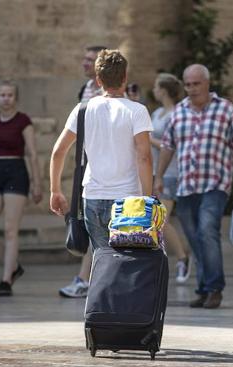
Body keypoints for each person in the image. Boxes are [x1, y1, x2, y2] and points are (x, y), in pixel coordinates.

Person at [155, 64, 233, 309]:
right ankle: (203, 287)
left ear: (207, 83)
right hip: (186, 186)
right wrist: (159, 176)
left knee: (207, 231)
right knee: (195, 238)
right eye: (187, 84)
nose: (192, 89)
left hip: (215, 183)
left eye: (196, 84)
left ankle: (215, 288)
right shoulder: (178, 113)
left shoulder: (225, 109)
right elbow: (167, 146)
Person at [50, 49, 153, 257]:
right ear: (125, 77)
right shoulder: (137, 111)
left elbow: (59, 151)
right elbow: (144, 157)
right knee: (127, 261)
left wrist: (55, 190)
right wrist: (147, 198)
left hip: (93, 198)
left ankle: (100, 291)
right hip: (128, 199)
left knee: (102, 260)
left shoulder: (83, 109)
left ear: (98, 80)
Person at [0, 80, 43, 296]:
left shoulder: (24, 121)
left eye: (10, 95)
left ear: (16, 98)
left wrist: (37, 183)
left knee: (10, 229)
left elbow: (32, 153)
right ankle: (14, 265)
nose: (6, 98)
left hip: (16, 171)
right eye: (2, 95)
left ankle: (6, 279)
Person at [59, 45, 107, 298]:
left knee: (92, 221)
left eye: (90, 60)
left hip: (100, 163)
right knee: (85, 219)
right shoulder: (85, 90)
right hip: (85, 161)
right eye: (84, 59)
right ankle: (87, 278)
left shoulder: (106, 93)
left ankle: (84, 278)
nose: (84, 63)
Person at [150, 72, 191, 283]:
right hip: (155, 173)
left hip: (172, 173)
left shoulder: (175, 114)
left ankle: (182, 258)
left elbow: (173, 146)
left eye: (156, 87)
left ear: (164, 90)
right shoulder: (156, 113)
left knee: (160, 220)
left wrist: (151, 140)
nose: (154, 91)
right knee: (158, 220)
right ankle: (183, 251)